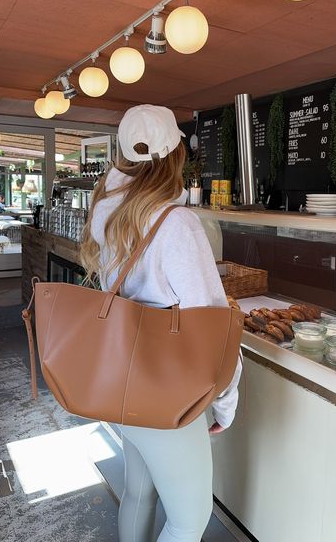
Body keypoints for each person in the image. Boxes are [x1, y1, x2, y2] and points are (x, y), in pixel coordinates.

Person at [80, 104, 242, 542]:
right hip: (167, 391)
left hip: (122, 380)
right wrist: (225, 402)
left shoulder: (108, 210)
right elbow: (212, 328)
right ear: (174, 155)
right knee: (189, 519)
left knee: (138, 491)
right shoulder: (177, 223)